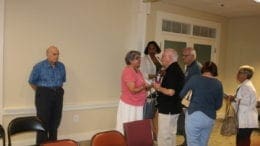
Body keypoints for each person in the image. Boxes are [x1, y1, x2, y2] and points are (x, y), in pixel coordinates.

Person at [28, 46, 66, 144]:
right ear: (47, 54)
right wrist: (42, 92)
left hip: (58, 94)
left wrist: (56, 91)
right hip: (44, 95)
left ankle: (53, 144)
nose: (56, 56)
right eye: (54, 54)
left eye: (58, 54)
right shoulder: (39, 66)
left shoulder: (61, 66)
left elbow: (62, 81)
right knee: (42, 124)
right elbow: (32, 81)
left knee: (55, 122)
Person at [180, 61, 223, 146]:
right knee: (203, 142)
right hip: (210, 117)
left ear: (203, 69)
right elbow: (218, 105)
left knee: (192, 142)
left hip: (194, 114)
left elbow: (182, 94)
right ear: (214, 70)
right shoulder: (218, 83)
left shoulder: (195, 79)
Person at [152, 48, 185, 146]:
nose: (161, 58)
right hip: (173, 107)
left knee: (164, 136)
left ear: (169, 58)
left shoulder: (172, 71)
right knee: (171, 134)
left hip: (168, 108)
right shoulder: (175, 69)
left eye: (163, 56)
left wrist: (158, 87)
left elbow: (170, 92)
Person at [116, 50, 150, 133]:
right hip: (129, 105)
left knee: (136, 128)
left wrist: (147, 87)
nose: (139, 60)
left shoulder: (138, 71)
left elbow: (143, 86)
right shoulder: (128, 71)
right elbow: (133, 90)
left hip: (138, 104)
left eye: (139, 58)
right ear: (130, 60)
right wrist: (144, 86)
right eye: (137, 58)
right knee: (127, 128)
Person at [228, 65, 259, 146]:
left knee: (242, 141)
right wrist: (233, 99)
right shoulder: (244, 85)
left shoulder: (246, 86)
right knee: (242, 140)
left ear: (245, 75)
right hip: (245, 118)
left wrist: (233, 99)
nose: (237, 74)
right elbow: (241, 101)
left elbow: (246, 102)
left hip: (246, 119)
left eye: (239, 73)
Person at [177, 47, 201, 146]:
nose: (183, 58)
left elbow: (194, 86)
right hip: (187, 99)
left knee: (189, 123)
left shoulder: (196, 68)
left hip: (192, 100)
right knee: (185, 122)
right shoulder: (190, 67)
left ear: (192, 56)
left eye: (185, 56)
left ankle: (189, 143)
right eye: (182, 55)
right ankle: (186, 141)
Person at [140, 41, 162, 140]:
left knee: (156, 113)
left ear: (157, 49)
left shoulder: (158, 59)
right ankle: (148, 135)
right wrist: (157, 75)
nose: (152, 50)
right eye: (150, 48)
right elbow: (143, 74)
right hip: (150, 89)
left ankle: (156, 134)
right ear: (147, 49)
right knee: (149, 113)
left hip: (159, 88)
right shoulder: (144, 59)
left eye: (153, 48)